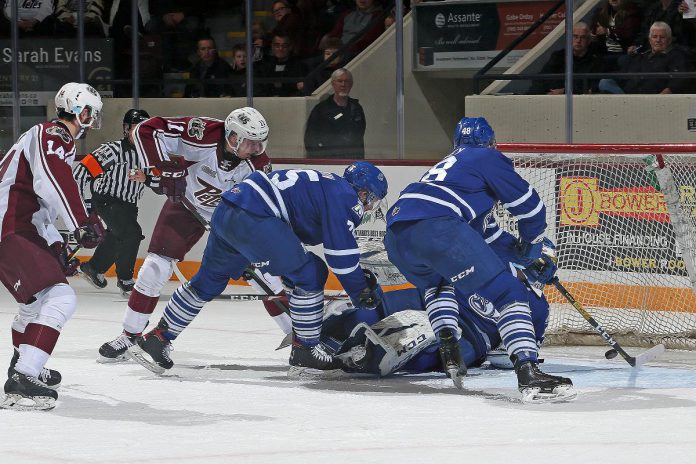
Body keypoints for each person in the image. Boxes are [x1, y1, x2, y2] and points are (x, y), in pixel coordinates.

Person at [126, 161, 388, 378]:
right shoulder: (345, 196)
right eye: (371, 199)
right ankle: (305, 350)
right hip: (256, 218)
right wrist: (359, 289)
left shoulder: (326, 182)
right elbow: (340, 256)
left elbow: (295, 229)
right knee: (311, 274)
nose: (367, 206)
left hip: (228, 209)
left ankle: (158, 338)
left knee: (208, 281)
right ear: (363, 192)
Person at [383, 117, 575, 403]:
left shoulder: (448, 170)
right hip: (439, 227)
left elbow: (490, 237)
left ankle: (448, 346)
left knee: (438, 285)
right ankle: (529, 374)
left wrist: (523, 256)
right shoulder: (485, 156)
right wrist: (533, 248)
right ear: (491, 142)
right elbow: (532, 209)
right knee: (510, 292)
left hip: (397, 236)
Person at [97, 107, 273, 364]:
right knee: (154, 269)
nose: (255, 148)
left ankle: (301, 338)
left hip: (229, 215)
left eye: (259, 143)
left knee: (264, 272)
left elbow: (265, 205)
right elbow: (145, 129)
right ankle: (130, 335)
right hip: (185, 205)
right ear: (232, 136)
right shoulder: (201, 132)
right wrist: (161, 168)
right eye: (249, 142)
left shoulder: (258, 164)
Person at [0, 82, 106, 410]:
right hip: (11, 226)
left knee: (33, 305)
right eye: (90, 112)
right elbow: (56, 180)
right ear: (79, 110)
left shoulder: (46, 138)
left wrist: (57, 246)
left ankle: (26, 365)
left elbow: (42, 204)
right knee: (61, 298)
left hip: (16, 226)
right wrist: (81, 222)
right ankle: (25, 372)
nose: (92, 119)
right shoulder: (54, 134)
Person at [73, 108, 155, 297]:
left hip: (129, 205)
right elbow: (80, 173)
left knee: (118, 236)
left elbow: (158, 180)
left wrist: (148, 179)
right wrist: (84, 205)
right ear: (126, 129)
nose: (140, 132)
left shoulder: (149, 155)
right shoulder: (113, 150)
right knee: (132, 234)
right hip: (107, 200)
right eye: (136, 128)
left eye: (145, 128)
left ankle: (93, 267)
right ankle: (126, 281)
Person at [599, 21, 691, 94]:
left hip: (654, 102)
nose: (658, 40)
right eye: (655, 37)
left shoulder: (677, 56)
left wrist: (659, 99)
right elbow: (624, 76)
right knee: (605, 82)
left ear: (669, 40)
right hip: (629, 98)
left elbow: (677, 83)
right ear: (650, 40)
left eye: (662, 37)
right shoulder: (641, 56)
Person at [529, 22, 606, 95]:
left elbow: (592, 86)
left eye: (583, 37)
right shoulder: (559, 56)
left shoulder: (596, 60)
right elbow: (543, 78)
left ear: (589, 41)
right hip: (554, 97)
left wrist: (565, 91)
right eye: (575, 36)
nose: (578, 41)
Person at [304, 68, 366, 159]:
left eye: (347, 81)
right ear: (333, 83)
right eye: (339, 81)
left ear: (351, 85)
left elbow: (359, 136)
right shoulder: (321, 109)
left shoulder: (356, 108)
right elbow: (310, 139)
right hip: (327, 161)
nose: (343, 85)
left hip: (351, 160)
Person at [255, 32, 306, 97]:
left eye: (284, 46)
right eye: (277, 45)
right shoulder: (264, 66)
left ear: (290, 47)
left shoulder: (299, 66)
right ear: (272, 47)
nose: (280, 49)